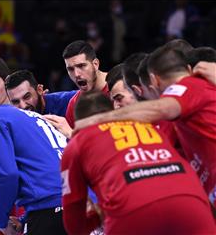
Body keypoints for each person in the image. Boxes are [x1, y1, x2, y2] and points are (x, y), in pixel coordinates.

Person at [61, 91, 215, 235]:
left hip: (131, 212)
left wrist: (97, 214)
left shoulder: (77, 143)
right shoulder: (151, 127)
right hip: (191, 202)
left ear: (79, 122)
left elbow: (74, 225)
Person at [74, 46, 216, 199]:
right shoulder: (192, 102)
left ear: (153, 79)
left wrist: (97, 120)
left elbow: (159, 108)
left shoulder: (187, 86)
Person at [0, 82, 68, 235]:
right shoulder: (29, 116)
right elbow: (45, 168)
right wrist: (24, 219)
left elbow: (7, 175)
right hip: (80, 201)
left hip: (51, 207)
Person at [43, 40, 107, 138]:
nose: (76, 74)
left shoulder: (120, 87)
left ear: (95, 64)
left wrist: (71, 133)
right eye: (70, 69)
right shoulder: (74, 104)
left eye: (81, 66)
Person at [5, 69, 77, 116]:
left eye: (27, 97)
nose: (23, 106)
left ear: (39, 90)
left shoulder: (71, 100)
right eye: (16, 102)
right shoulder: (13, 122)